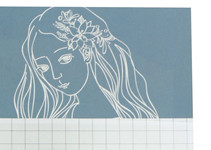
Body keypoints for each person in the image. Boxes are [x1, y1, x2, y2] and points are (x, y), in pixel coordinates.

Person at [14, 8, 159, 118]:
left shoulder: (128, 116)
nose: (55, 75)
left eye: (64, 59)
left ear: (86, 52)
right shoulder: (63, 115)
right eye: (42, 67)